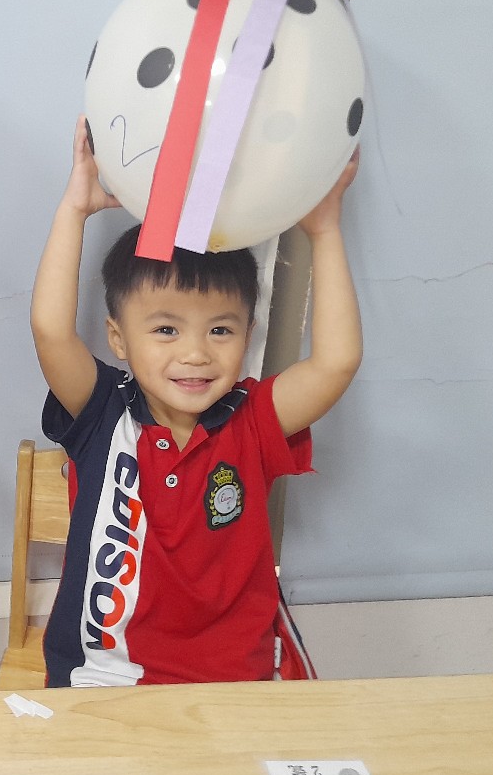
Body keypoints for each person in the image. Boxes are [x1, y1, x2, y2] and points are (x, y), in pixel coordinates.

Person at [30, 117, 362, 686]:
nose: (196, 354)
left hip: (234, 681)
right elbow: (50, 332)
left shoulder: (254, 419)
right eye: (166, 330)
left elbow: (336, 363)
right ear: (118, 339)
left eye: (220, 331)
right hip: (101, 677)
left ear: (248, 336)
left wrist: (325, 230)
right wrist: (74, 210)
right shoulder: (102, 411)